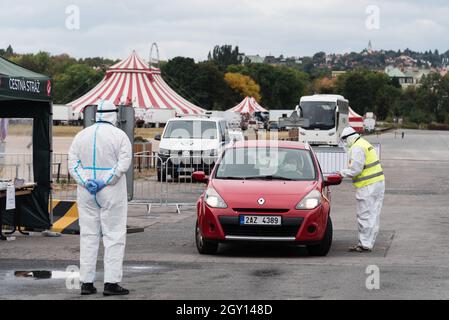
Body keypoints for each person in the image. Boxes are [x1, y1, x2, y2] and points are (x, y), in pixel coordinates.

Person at [69, 100, 132, 296]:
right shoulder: (120, 136)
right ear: (114, 114)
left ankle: (86, 283)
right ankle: (111, 283)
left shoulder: (81, 135)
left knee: (88, 236)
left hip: (87, 191)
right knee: (114, 235)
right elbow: (123, 164)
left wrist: (87, 181)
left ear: (96, 114)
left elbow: (73, 163)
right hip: (111, 191)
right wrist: (105, 181)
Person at [338, 127, 385, 253]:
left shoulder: (357, 147)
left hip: (367, 185)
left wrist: (341, 173)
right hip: (377, 183)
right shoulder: (364, 143)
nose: (344, 143)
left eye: (344, 140)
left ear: (349, 137)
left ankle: (364, 244)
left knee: (364, 215)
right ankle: (368, 242)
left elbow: (355, 170)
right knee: (373, 214)